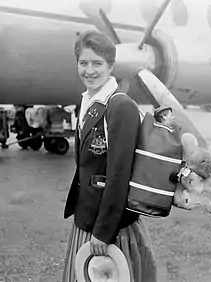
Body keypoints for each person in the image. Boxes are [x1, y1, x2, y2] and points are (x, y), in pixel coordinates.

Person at [62, 30, 157, 282]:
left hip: (110, 228)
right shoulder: (86, 102)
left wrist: (104, 233)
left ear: (111, 66)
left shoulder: (120, 106)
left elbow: (119, 174)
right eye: (83, 63)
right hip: (86, 218)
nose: (89, 70)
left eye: (97, 63)